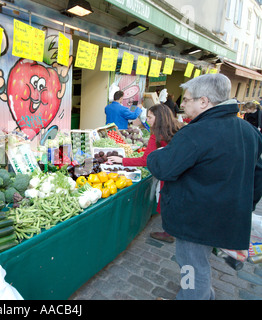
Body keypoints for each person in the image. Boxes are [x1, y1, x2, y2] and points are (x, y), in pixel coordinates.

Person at [146, 73, 262, 300]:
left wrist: (155, 156)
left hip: (196, 219)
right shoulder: (248, 130)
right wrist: (245, 206)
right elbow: (258, 174)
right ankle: (205, 295)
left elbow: (163, 169)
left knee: (191, 267)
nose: (183, 104)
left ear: (204, 101)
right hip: (225, 215)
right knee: (201, 263)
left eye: (187, 99)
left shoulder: (196, 132)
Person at [107, 103, 183, 243]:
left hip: (167, 173)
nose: (147, 120)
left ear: (159, 117)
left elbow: (145, 160)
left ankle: (168, 232)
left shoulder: (157, 136)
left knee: (165, 201)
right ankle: (173, 230)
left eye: (150, 117)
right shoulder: (178, 128)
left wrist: (122, 160)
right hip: (179, 171)